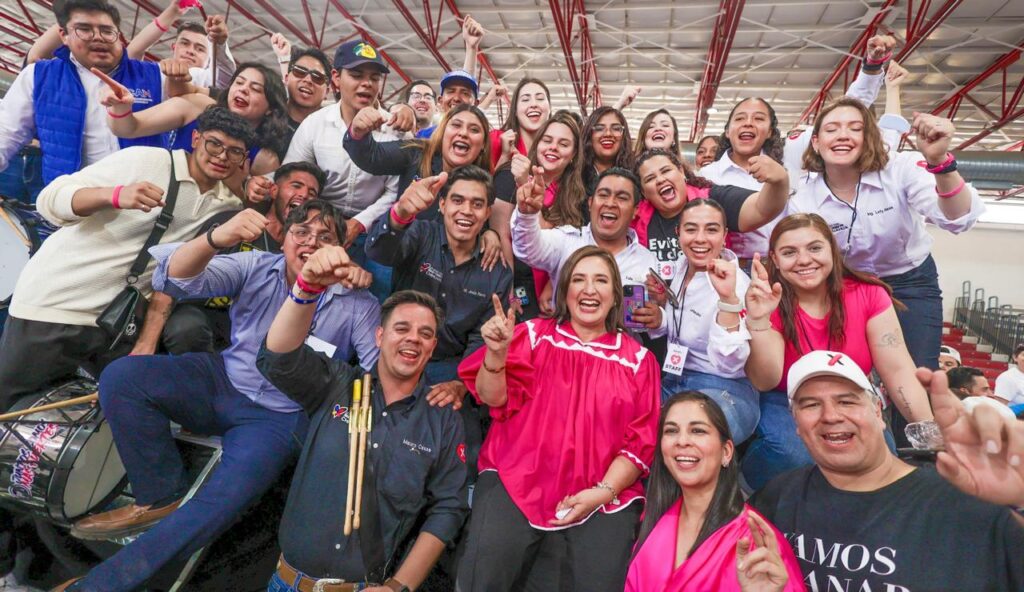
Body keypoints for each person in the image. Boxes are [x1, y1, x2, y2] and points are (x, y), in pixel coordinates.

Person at [54, 202, 377, 592]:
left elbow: (378, 371)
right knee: (123, 376)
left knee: (217, 505)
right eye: (301, 232)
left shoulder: (358, 303)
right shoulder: (256, 264)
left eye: (325, 237)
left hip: (279, 416)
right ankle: (160, 492)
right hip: (222, 379)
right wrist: (213, 238)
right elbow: (172, 279)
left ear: (342, 248)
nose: (311, 243)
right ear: (283, 238)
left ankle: (98, 587)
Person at [0, 107, 251, 410]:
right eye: (215, 144)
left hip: (116, 327)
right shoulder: (145, 161)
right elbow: (50, 200)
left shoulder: (225, 205)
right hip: (55, 307)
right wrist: (116, 195)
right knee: (9, 409)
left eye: (234, 151)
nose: (222, 156)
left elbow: (175, 273)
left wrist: (147, 340)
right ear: (196, 138)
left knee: (105, 421)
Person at [456, 246, 660, 591]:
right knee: (484, 579)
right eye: (579, 279)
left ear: (614, 296)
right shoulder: (533, 335)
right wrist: (496, 354)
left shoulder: (639, 361)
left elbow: (638, 446)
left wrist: (601, 493)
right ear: (565, 290)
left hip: (601, 499)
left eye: (601, 280)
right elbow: (493, 398)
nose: (589, 289)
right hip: (515, 481)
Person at [791, 98, 985, 448]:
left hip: (910, 282)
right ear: (816, 142)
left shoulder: (903, 168)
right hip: (848, 287)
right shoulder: (805, 198)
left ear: (870, 138)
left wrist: (940, 162)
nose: (843, 136)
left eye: (855, 127)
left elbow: (957, 218)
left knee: (916, 374)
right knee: (850, 375)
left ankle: (917, 455)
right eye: (831, 129)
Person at [750, 350, 1024, 591]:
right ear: (796, 424)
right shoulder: (776, 499)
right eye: (811, 404)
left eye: (847, 401)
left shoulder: (968, 499)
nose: (831, 415)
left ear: (878, 411)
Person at [257, 285, 469, 592]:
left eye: (425, 333)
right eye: (402, 328)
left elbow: (449, 508)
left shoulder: (444, 419)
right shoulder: (337, 383)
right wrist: (306, 288)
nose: (413, 338)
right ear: (380, 336)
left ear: (433, 347)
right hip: (287, 583)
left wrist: (399, 586)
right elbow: (278, 357)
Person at [741, 213, 935, 489]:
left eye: (814, 248)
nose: (804, 259)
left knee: (881, 463)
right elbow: (765, 380)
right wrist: (759, 320)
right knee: (795, 454)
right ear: (775, 259)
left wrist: (927, 430)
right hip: (787, 401)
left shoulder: (868, 294)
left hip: (851, 398)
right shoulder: (769, 299)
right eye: (789, 252)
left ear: (832, 250)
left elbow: (898, 369)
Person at [700, 35, 894, 265]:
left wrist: (871, 67)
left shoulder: (789, 157)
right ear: (728, 130)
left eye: (759, 118)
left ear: (771, 132)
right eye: (740, 118)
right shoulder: (706, 176)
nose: (748, 123)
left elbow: (842, 112)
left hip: (782, 268)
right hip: (726, 267)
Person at [625, 391, 804, 592]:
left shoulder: (757, 538)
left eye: (698, 431)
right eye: (671, 431)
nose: (682, 441)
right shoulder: (652, 520)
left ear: (726, 452)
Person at [280, 39, 411, 299]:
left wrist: (358, 224)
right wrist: (324, 224)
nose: (367, 83)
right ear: (336, 79)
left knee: (376, 295)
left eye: (374, 78)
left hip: (375, 227)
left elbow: (393, 193)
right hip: (320, 224)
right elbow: (293, 177)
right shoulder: (314, 125)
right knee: (307, 291)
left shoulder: (394, 130)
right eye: (357, 75)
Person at [0, 0, 168, 185]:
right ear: (63, 35)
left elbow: (202, 95)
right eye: (84, 29)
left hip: (146, 203)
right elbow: (7, 133)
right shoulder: (38, 77)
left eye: (107, 31)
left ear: (119, 35)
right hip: (71, 203)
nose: (98, 37)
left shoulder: (155, 76)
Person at [633, 199, 759, 443]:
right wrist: (659, 318)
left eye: (711, 229)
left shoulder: (737, 286)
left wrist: (727, 300)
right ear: (678, 234)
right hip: (674, 378)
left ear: (725, 236)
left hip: (725, 388)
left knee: (690, 436)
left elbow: (731, 363)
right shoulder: (683, 266)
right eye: (691, 229)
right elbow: (684, 325)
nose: (700, 239)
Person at [100, 61, 290, 178]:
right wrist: (120, 108)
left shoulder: (265, 159)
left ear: (270, 109)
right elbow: (128, 128)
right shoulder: (197, 106)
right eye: (239, 82)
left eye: (256, 89)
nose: (243, 89)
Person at [512, 167, 659, 310]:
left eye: (622, 198)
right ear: (590, 203)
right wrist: (526, 214)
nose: (610, 203)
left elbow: (653, 317)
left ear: (635, 211)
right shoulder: (566, 241)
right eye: (603, 195)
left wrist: (660, 317)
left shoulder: (648, 261)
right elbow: (527, 250)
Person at [633, 149, 788, 281]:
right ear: (643, 192)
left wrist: (780, 181)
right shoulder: (635, 216)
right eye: (650, 178)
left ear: (681, 172)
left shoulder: (713, 199)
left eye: (666, 171)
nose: (660, 179)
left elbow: (761, 209)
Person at [496, 110, 587, 318]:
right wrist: (508, 290)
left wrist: (554, 285)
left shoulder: (577, 193)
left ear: (573, 155)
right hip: (515, 278)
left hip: (557, 287)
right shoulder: (510, 174)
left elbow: (551, 239)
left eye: (564, 144)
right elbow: (500, 236)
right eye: (547, 140)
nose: (553, 147)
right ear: (537, 144)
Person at [126, 0, 236, 89]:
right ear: (174, 47)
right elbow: (131, 53)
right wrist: (172, 12)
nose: (191, 51)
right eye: (185, 43)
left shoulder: (206, 80)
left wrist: (220, 43)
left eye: (200, 49)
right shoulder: (156, 73)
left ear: (209, 58)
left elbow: (227, 76)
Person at [414, 16, 484, 139]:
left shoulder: (481, 139)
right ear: (440, 101)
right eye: (450, 91)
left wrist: (471, 48)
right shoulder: (424, 136)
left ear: (476, 104)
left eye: (465, 93)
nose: (456, 98)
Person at [491, 78, 551, 169]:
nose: (533, 104)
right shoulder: (495, 140)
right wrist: (504, 157)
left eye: (540, 98)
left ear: (549, 108)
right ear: (515, 110)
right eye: (525, 100)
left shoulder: (555, 149)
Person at [581, 107, 634, 196]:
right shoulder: (574, 175)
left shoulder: (635, 174)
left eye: (616, 128)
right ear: (589, 135)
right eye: (599, 128)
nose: (608, 134)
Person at [283, 47, 332, 137]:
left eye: (317, 77)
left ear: (327, 92)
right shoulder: (266, 115)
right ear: (286, 79)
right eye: (300, 71)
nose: (308, 80)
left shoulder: (333, 131)